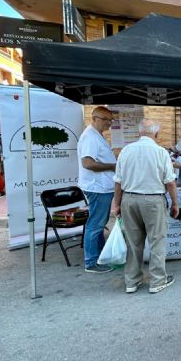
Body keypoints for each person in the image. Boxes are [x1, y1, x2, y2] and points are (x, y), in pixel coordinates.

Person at [112, 120, 178, 294]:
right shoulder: (160, 152)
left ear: (139, 133)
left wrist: (116, 204)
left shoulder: (126, 151)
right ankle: (157, 281)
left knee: (133, 241)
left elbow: (118, 182)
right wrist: (175, 203)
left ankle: (131, 281)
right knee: (157, 241)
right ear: (156, 134)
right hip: (153, 200)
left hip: (129, 199)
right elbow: (170, 182)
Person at [77, 106, 117, 273]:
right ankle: (91, 261)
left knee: (99, 223)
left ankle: (99, 256)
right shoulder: (90, 137)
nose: (109, 123)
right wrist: (114, 166)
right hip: (97, 188)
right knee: (96, 224)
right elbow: (88, 163)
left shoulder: (96, 135)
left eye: (111, 120)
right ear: (94, 118)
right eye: (105, 119)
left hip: (102, 187)